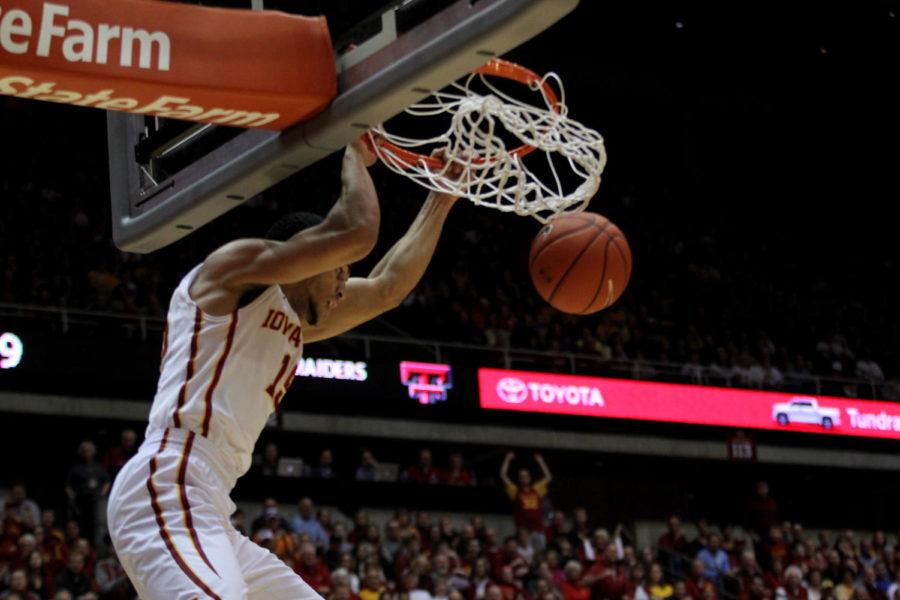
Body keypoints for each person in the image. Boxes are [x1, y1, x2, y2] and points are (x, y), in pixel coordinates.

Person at [106, 136, 462, 600]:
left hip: (211, 504)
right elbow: (357, 231)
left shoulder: (293, 326)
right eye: (338, 271)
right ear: (305, 256)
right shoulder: (231, 275)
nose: (342, 286)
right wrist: (355, 150)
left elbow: (387, 286)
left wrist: (443, 196)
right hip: (168, 481)